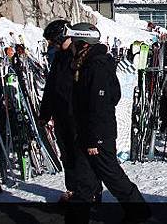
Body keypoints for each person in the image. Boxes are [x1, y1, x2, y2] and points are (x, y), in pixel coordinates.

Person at [67, 22, 150, 221]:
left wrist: (94, 139)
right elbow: (114, 95)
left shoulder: (97, 66)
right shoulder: (88, 63)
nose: (71, 46)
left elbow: (101, 104)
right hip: (88, 132)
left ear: (83, 44)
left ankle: (138, 211)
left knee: (111, 174)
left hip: (98, 134)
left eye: (74, 43)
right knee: (84, 181)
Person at [39, 19, 102, 203]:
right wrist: (45, 113)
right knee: (66, 153)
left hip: (77, 114)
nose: (53, 46)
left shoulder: (81, 55)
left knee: (81, 155)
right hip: (61, 114)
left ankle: (91, 191)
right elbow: (52, 86)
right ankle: (74, 189)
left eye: (54, 41)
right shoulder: (59, 57)